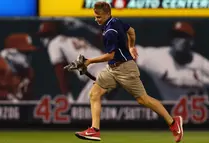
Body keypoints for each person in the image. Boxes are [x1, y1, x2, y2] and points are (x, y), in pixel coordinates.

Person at [74, 2, 183, 142]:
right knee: (94, 93)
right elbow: (131, 31)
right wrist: (131, 46)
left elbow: (110, 55)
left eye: (99, 17)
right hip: (113, 68)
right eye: (95, 16)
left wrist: (89, 61)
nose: (96, 19)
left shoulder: (110, 32)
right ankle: (94, 130)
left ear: (107, 14)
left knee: (143, 99)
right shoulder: (115, 21)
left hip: (125, 68)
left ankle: (173, 122)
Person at [136, 21, 209, 100]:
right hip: (171, 110)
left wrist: (203, 81)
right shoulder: (158, 56)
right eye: (175, 36)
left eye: (182, 36)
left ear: (191, 42)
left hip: (200, 110)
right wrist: (156, 68)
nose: (177, 40)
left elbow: (175, 80)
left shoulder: (200, 62)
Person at [38, 20, 107, 103]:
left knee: (80, 110)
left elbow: (60, 71)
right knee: (104, 109)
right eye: (42, 36)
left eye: (46, 35)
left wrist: (67, 95)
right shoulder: (73, 38)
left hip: (100, 72)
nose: (43, 39)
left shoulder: (54, 43)